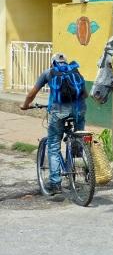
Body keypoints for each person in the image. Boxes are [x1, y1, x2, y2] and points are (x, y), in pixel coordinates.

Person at [20, 53, 87, 195]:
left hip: (58, 112)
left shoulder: (48, 72)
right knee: (79, 137)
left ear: (53, 63)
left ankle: (55, 183)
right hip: (79, 110)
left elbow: (31, 94)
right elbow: (85, 94)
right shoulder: (74, 70)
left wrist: (25, 105)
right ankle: (82, 158)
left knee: (54, 146)